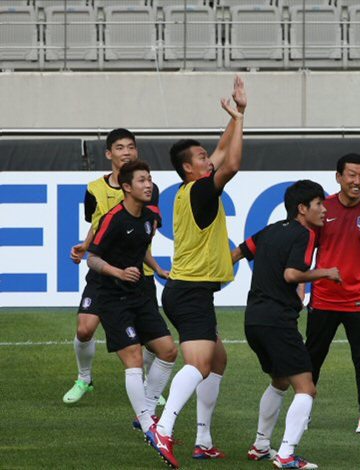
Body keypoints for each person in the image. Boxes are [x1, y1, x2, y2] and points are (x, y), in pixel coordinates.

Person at [145, 76, 246, 469]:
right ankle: (163, 427)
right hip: (189, 291)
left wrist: (238, 117)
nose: (210, 159)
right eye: (202, 158)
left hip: (189, 290)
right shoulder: (202, 190)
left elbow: (223, 150)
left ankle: (203, 440)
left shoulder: (191, 188)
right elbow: (233, 161)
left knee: (217, 360)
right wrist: (238, 118)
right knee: (199, 364)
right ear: (190, 168)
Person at [231, 180, 341, 470]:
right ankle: (287, 454)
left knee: (280, 381)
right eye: (319, 204)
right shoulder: (305, 234)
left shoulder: (270, 230)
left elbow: (237, 253)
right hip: (277, 321)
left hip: (253, 319)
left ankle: (261, 446)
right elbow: (292, 274)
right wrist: (326, 273)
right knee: (307, 388)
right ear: (302, 209)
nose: (323, 209)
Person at [64, 128, 170, 406]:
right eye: (120, 148)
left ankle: (148, 385)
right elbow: (96, 224)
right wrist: (85, 246)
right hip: (105, 272)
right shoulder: (93, 189)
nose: (127, 152)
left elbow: (148, 229)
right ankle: (84, 378)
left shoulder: (147, 188)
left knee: (151, 338)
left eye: (131, 147)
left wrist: (157, 267)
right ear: (109, 154)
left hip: (139, 273)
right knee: (85, 329)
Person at [86, 160, 177, 437]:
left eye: (149, 179)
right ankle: (150, 426)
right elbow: (92, 258)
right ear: (126, 187)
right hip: (111, 297)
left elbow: (141, 247)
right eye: (141, 180)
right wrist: (118, 272)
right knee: (135, 357)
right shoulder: (112, 219)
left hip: (139, 294)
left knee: (168, 350)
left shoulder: (150, 217)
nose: (148, 184)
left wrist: (158, 267)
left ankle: (146, 410)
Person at [305, 153, 360, 434]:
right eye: (352, 175)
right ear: (338, 177)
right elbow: (307, 253)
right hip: (322, 298)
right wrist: (300, 287)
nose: (358, 181)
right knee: (312, 359)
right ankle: (303, 412)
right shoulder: (322, 209)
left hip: (359, 302)